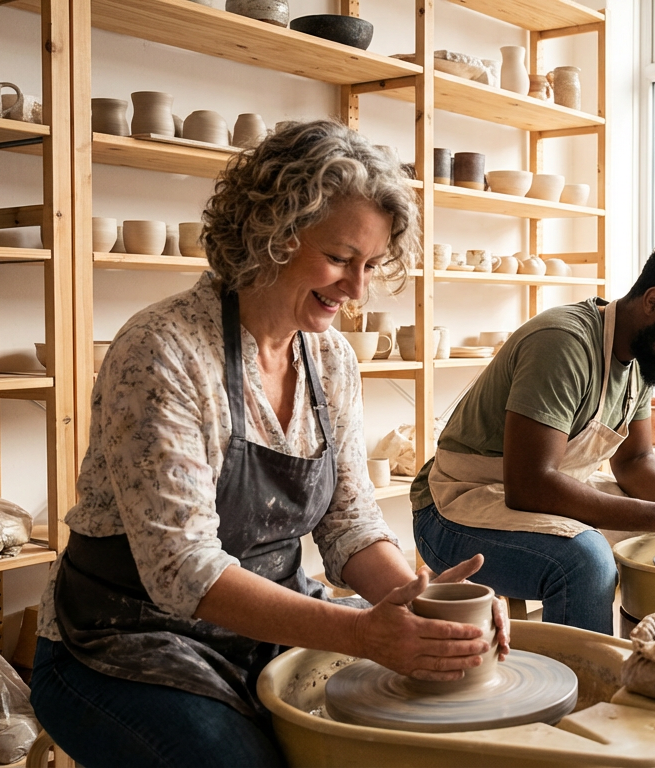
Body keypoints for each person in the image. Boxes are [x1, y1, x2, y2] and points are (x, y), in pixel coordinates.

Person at [28, 120, 508, 768]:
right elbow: (183, 570)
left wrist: (424, 609)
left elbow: (351, 525)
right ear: (271, 232)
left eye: (369, 266)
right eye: (340, 259)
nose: (357, 290)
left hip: (266, 627)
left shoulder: (330, 359)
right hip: (120, 640)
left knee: (390, 743)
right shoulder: (162, 350)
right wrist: (363, 633)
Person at [410, 238, 655, 636]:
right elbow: (529, 486)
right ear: (653, 301)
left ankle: (652, 666)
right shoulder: (564, 344)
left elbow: (634, 461)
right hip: (454, 506)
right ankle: (590, 687)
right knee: (586, 561)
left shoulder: (640, 360)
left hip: (538, 491)